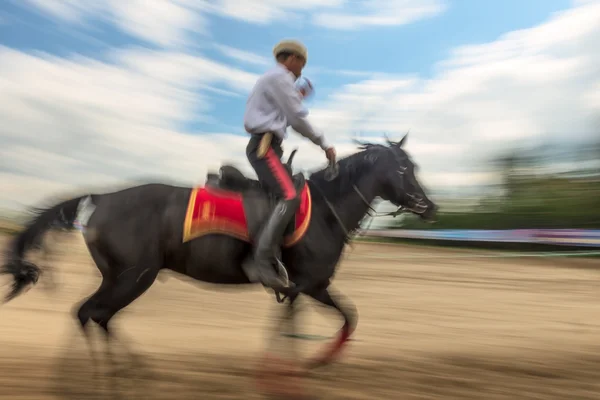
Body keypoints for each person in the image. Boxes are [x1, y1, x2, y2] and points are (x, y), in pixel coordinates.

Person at [243, 39, 336, 291]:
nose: (301, 70)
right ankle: (261, 261)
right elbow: (297, 118)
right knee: (290, 195)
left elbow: (283, 109)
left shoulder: (275, 80)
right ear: (293, 59)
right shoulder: (280, 77)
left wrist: (298, 95)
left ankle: (277, 253)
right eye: (302, 64)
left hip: (269, 146)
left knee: (287, 192)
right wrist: (324, 143)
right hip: (265, 148)